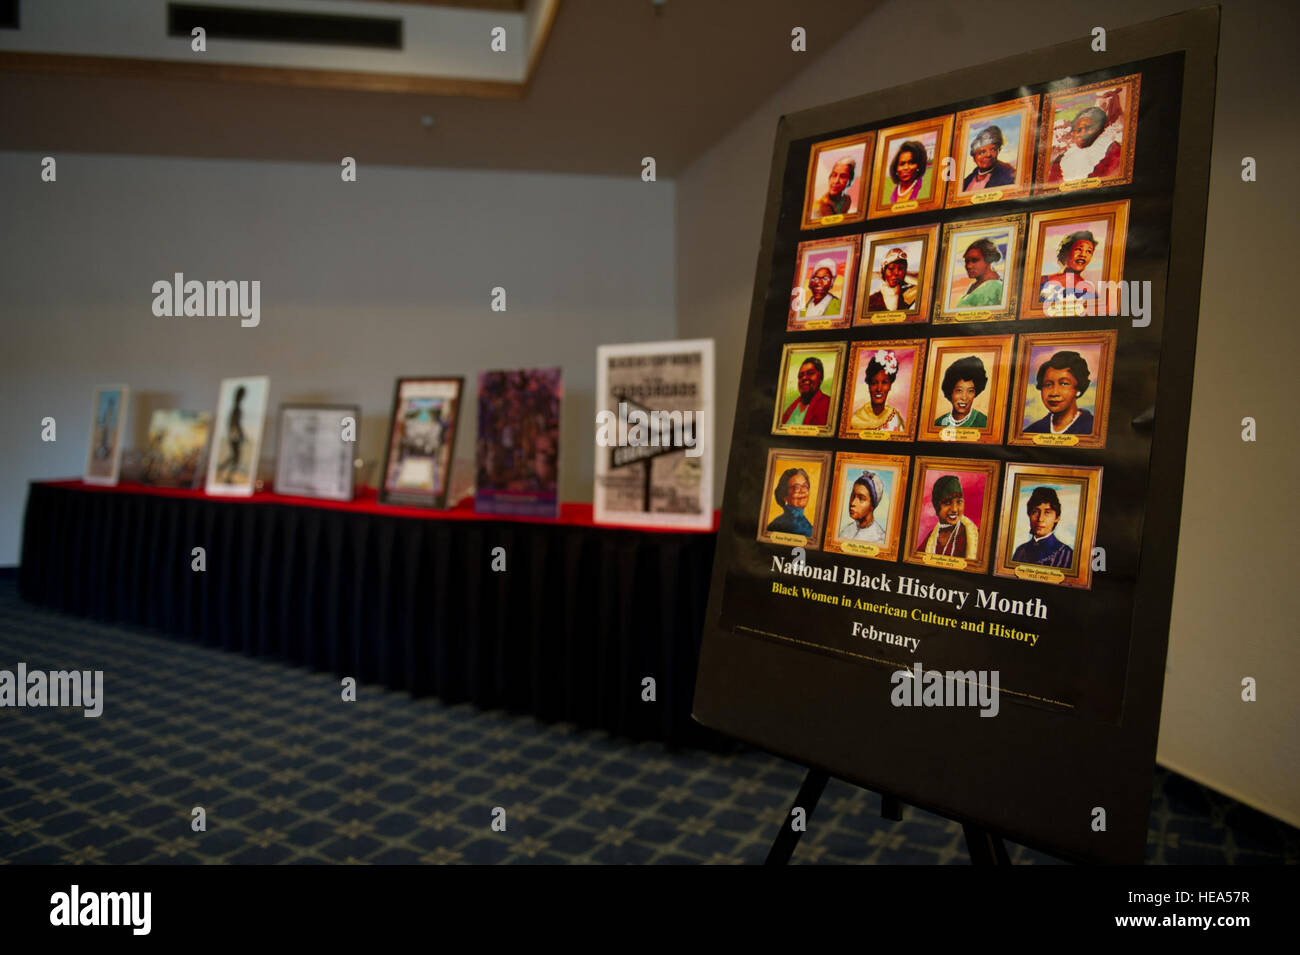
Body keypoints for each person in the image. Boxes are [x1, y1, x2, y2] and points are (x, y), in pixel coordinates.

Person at [1024, 351, 1094, 435]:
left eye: (1064, 384)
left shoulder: (1092, 428)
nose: (1054, 392)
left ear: (1078, 388)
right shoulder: (1031, 431)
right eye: (1048, 384)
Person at [1048, 105, 1123, 183]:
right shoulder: (1061, 159)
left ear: (1099, 130)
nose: (1083, 133)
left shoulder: (1111, 149)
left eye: (1088, 128)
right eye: (1078, 129)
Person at [1011, 486, 1075, 567]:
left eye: (1047, 512)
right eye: (1035, 512)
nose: (1040, 519)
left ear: (1057, 518)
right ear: (1029, 515)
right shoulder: (1020, 551)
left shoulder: (1067, 554)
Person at [922, 475, 979, 558]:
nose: (955, 509)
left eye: (959, 502)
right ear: (937, 507)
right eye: (947, 503)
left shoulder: (973, 536)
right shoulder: (931, 539)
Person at [1039, 230, 1097, 312]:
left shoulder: (1091, 291)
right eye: (1078, 249)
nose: (1083, 255)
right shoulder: (1042, 281)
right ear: (1066, 252)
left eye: (1089, 251)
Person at [850, 349, 905, 432]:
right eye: (874, 383)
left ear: (890, 385)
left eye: (884, 383)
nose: (879, 389)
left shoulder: (895, 418)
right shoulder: (855, 420)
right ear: (869, 385)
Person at [934, 356, 989, 428]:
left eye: (970, 391)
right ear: (951, 392)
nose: (964, 397)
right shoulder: (938, 423)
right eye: (959, 390)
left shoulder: (984, 423)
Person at [962, 124, 1017, 192]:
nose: (988, 154)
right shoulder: (967, 181)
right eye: (982, 152)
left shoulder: (1008, 175)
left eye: (993, 149)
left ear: (998, 151)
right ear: (974, 158)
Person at [780, 357, 831, 427]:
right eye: (800, 376)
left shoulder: (829, 405)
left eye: (810, 373)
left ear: (821, 378)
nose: (804, 378)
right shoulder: (791, 409)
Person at [955, 237, 1004, 308]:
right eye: (967, 261)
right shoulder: (974, 286)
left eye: (974, 260)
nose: (968, 266)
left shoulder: (995, 287)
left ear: (988, 260)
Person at [839, 472, 886, 543]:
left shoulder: (879, 539)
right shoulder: (846, 531)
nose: (852, 503)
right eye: (852, 496)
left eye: (861, 498)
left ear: (872, 505)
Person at [866, 248, 917, 312]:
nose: (896, 273)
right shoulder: (871, 300)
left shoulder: (909, 295)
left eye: (901, 269)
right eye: (891, 268)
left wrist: (904, 277)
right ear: (884, 270)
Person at [766, 467, 814, 536]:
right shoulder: (790, 525)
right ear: (784, 495)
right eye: (796, 487)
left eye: (805, 486)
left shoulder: (802, 521)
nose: (803, 491)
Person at [216, 385, 246, 483]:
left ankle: (223, 470)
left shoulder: (236, 407)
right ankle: (227, 476)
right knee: (236, 456)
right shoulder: (236, 408)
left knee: (235, 456)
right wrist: (240, 434)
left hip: (233, 434)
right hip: (234, 434)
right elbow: (235, 423)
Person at [886, 140, 927, 204]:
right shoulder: (891, 194)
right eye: (902, 164)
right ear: (896, 168)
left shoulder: (923, 189)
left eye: (911, 163)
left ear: (918, 165)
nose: (906, 168)